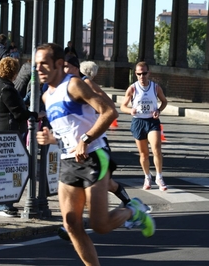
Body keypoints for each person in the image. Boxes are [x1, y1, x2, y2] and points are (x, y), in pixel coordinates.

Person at [35, 43, 155, 265]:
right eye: (36, 64)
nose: (39, 69)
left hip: (94, 156)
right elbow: (68, 130)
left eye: (44, 64)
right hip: (68, 161)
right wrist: (50, 138)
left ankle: (133, 210)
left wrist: (85, 139)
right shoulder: (46, 97)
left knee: (99, 225)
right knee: (71, 225)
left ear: (59, 64)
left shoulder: (74, 85)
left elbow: (109, 112)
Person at [0, 57, 44, 217]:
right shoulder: (6, 88)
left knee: (8, 168)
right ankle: (2, 205)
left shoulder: (1, 85)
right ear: (13, 71)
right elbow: (18, 113)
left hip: (6, 130)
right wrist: (36, 115)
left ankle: (4, 203)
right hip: (9, 132)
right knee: (9, 169)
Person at [120, 61, 168, 191]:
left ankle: (159, 177)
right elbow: (122, 106)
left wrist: (158, 110)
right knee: (143, 154)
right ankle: (147, 177)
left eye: (144, 73)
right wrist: (130, 111)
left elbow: (164, 101)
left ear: (149, 73)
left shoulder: (155, 87)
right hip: (138, 122)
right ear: (136, 74)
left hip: (152, 121)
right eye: (139, 74)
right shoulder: (132, 88)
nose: (142, 76)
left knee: (157, 150)